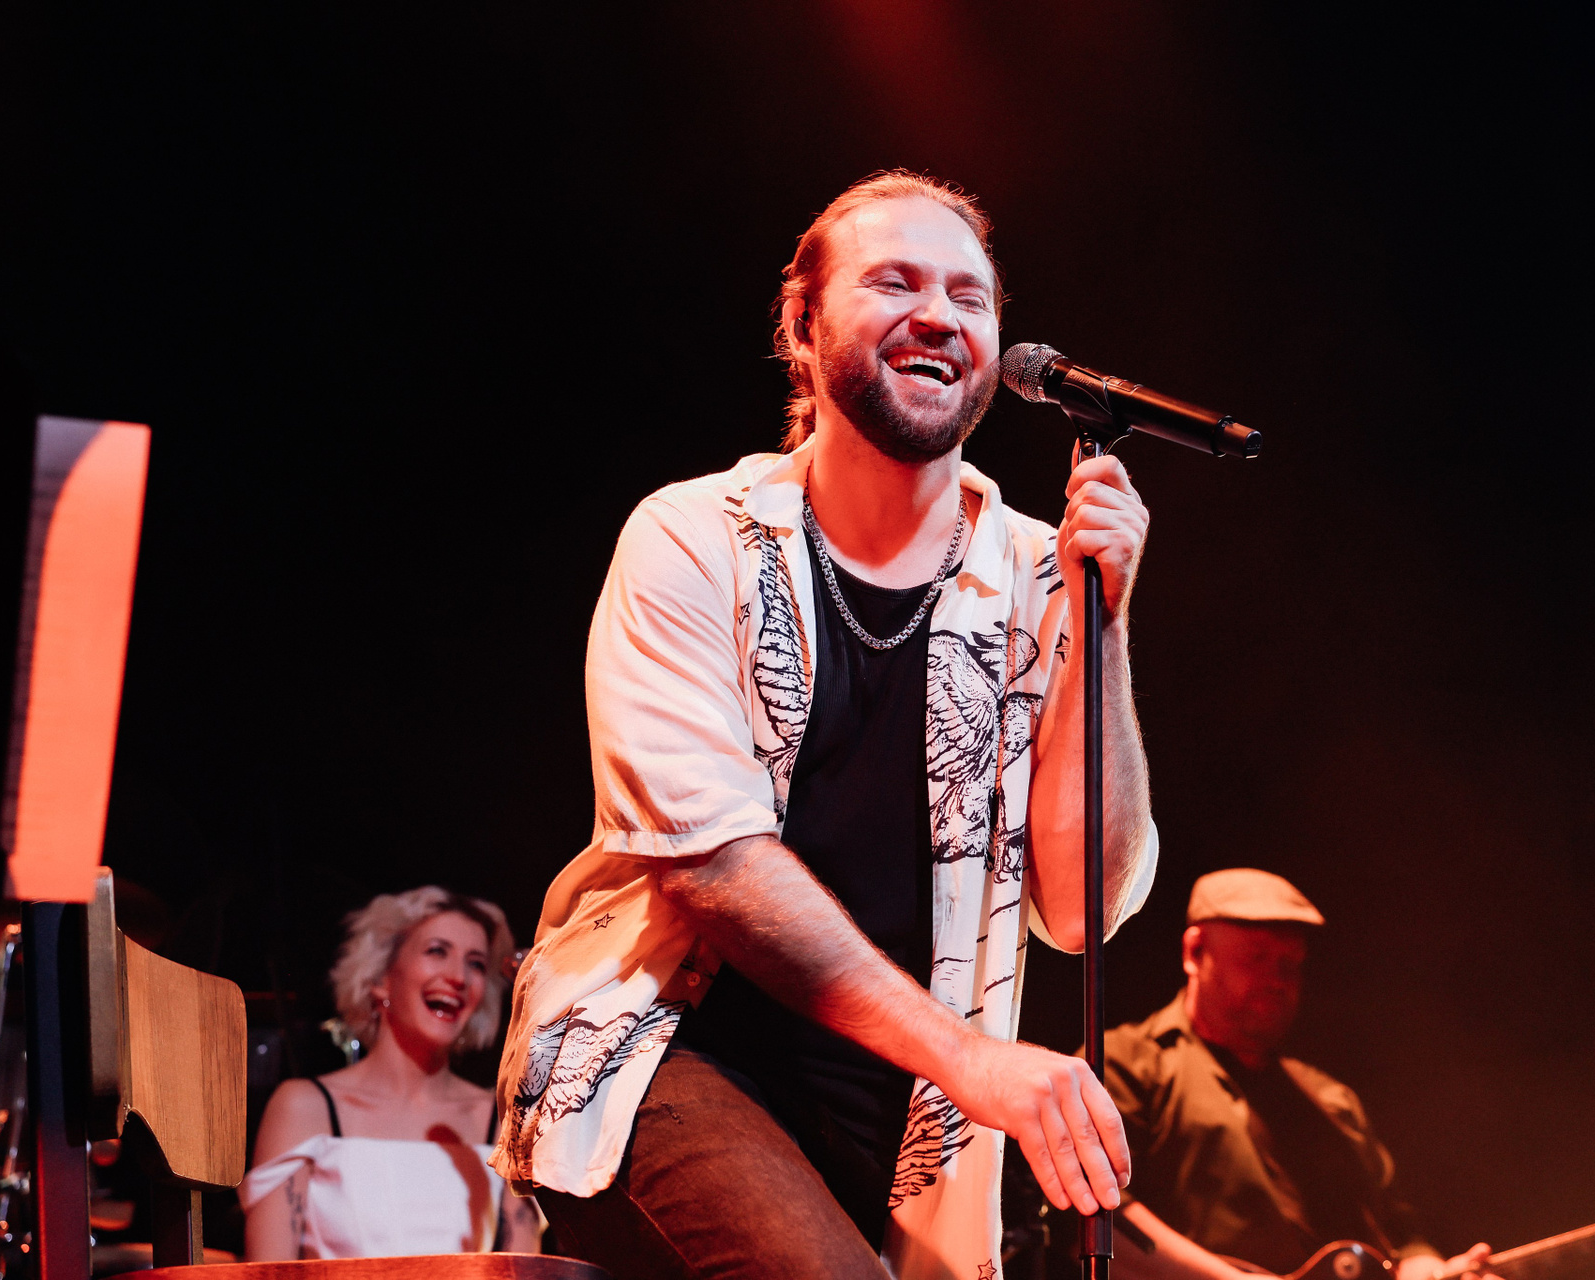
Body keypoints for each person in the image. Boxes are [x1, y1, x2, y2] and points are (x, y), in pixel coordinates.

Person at [490, 170, 1160, 1280]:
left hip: (906, 1119)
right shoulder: (693, 537)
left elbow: (1083, 907)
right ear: (801, 326)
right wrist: (973, 1061)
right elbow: (715, 867)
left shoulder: (1039, 574)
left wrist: (1106, 625)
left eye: (970, 297)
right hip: (659, 1057)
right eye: (894, 282)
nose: (938, 314)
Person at [1099, 869, 1497, 1280]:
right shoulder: (1125, 1065)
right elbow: (1094, 1217)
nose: (1277, 980)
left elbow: (1401, 1233)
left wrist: (1427, 1268)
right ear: (1195, 952)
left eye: (1290, 963)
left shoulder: (1332, 1100)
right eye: (1257, 957)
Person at [243, 887, 544, 1260]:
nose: (459, 977)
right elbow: (268, 1269)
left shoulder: (505, 1120)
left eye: (476, 964)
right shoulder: (304, 1106)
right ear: (380, 977)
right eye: (437, 951)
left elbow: (527, 1267)